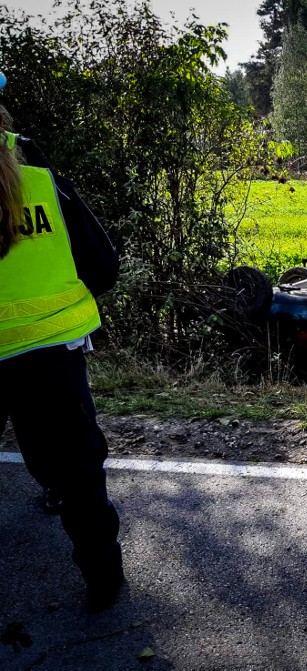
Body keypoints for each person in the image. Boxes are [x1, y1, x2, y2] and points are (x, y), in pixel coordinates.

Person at [0, 73, 124, 611]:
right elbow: (102, 263)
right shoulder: (37, 172)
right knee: (77, 464)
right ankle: (103, 580)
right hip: (51, 349)